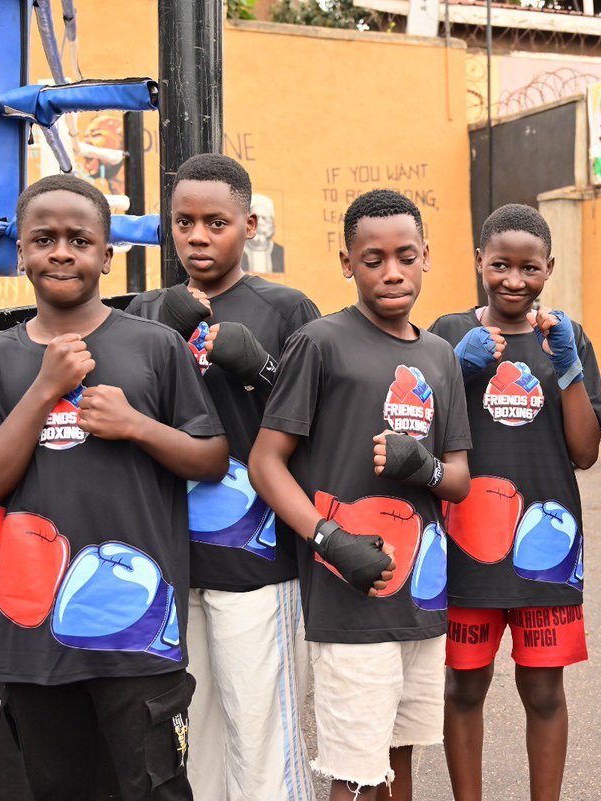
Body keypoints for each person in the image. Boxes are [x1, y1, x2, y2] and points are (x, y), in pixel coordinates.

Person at [0, 174, 229, 801]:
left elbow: (211, 459)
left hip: (137, 628)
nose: (61, 252)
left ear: (107, 255)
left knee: (155, 787)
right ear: (20, 252)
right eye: (43, 239)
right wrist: (45, 389)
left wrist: (135, 425)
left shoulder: (154, 347)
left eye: (80, 239)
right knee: (59, 787)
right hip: (35, 631)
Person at [249, 188, 472, 801]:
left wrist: (420, 468)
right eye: (373, 259)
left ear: (427, 256)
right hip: (349, 591)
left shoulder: (440, 356)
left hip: (421, 593)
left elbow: (458, 479)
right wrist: (330, 538)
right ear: (347, 263)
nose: (392, 271)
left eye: (406, 255)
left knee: (401, 759)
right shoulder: (321, 343)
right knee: (355, 772)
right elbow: (265, 463)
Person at [126, 153, 318, 801]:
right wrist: (159, 334)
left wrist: (260, 368)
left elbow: (318, 425)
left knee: (261, 734)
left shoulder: (286, 308)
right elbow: (126, 416)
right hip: (170, 558)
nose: (198, 236)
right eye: (184, 223)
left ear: (250, 223)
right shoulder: (148, 308)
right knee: (194, 739)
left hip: (256, 561)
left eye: (216, 222)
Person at [429, 204, 601, 801]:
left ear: (549, 268)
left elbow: (585, 452)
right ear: (479, 261)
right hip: (464, 545)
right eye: (499, 264)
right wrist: (455, 369)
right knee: (464, 689)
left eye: (529, 267)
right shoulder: (448, 333)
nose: (513, 279)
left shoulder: (567, 337)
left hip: (545, 549)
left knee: (545, 693)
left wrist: (569, 369)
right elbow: (418, 431)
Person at [242, 193, 285, 273]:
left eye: (264, 218)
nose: (260, 223)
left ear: (272, 224)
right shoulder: (237, 252)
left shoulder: (279, 251)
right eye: (255, 219)